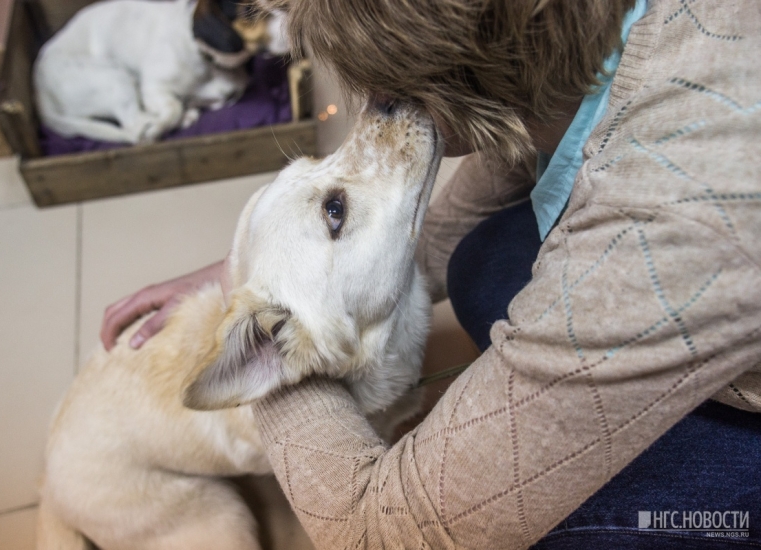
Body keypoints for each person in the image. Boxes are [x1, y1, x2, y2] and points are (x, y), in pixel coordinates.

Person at [101, 0, 761, 547]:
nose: (370, 111)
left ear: (467, 75)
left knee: (555, 528)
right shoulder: (585, 37)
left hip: (702, 267)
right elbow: (505, 160)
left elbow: (377, 531)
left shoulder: (664, 214)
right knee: (477, 262)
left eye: (384, 91)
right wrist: (246, 268)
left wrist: (272, 346)